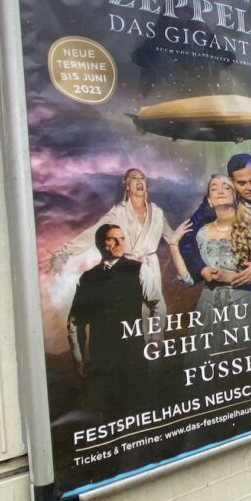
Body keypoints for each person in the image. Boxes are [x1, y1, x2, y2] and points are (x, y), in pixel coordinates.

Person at [48, 168, 180, 323]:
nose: (139, 181)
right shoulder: (119, 212)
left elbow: (173, 237)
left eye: (142, 178)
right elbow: (93, 232)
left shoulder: (157, 212)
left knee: (155, 311)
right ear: (127, 185)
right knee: (130, 315)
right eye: (133, 178)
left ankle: (155, 344)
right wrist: (65, 251)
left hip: (151, 267)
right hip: (127, 268)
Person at [169, 175, 251, 356]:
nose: (220, 191)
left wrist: (228, 277)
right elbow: (189, 280)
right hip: (208, 309)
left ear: (236, 196)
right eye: (214, 188)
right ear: (209, 200)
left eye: (226, 187)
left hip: (244, 306)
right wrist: (174, 244)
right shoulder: (201, 234)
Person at [182, 153, 251, 303]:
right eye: (242, 183)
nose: (250, 187)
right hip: (225, 295)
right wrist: (202, 269)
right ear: (231, 182)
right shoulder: (212, 206)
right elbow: (185, 239)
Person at [67, 224, 147, 399]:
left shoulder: (139, 269)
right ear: (100, 244)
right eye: (112, 239)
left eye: (122, 238)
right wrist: (79, 359)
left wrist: (156, 340)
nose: (120, 243)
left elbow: (158, 306)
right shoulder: (87, 278)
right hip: (101, 358)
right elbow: (75, 322)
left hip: (134, 354)